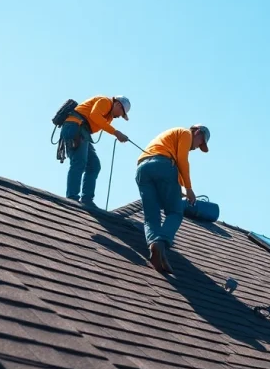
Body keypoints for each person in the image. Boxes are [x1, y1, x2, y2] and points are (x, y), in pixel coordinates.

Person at [135, 124, 210, 273]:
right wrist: (188, 189)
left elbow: (173, 163)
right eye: (201, 142)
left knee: (151, 215)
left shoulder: (169, 139)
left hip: (143, 169)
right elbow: (182, 160)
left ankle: (154, 246)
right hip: (163, 166)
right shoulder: (186, 133)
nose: (197, 147)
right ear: (198, 133)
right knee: (175, 212)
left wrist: (180, 189)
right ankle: (161, 242)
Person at [59, 95, 131, 208]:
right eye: (121, 113)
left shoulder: (109, 116)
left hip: (82, 131)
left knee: (94, 166)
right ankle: (72, 198)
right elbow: (94, 115)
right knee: (79, 162)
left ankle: (87, 200)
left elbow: (97, 120)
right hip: (75, 126)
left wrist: (115, 132)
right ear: (118, 104)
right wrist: (116, 132)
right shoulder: (105, 102)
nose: (119, 116)